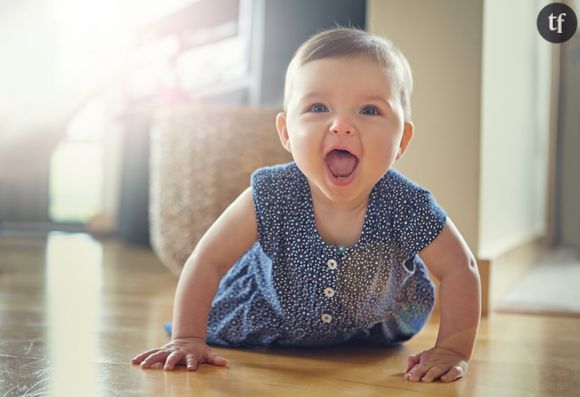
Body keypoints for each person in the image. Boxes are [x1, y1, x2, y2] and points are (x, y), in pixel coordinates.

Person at [132, 27, 481, 383]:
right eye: (318, 107)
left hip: (374, 326)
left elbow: (459, 267)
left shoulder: (407, 205)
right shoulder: (271, 193)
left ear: (402, 139)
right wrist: (188, 337)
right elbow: (208, 259)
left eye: (369, 110)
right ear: (286, 132)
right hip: (270, 315)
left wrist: (452, 349)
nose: (342, 126)